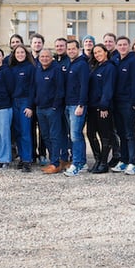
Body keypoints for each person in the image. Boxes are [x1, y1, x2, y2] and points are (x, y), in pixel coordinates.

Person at [86, 44, 117, 174]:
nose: (97, 54)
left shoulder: (110, 67)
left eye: (100, 52)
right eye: (95, 53)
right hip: (92, 107)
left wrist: (104, 106)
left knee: (105, 135)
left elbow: (108, 88)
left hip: (103, 107)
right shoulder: (95, 67)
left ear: (105, 52)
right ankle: (98, 160)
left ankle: (103, 163)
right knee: (90, 133)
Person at [34, 49, 65, 175]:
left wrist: (54, 106)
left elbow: (60, 89)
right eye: (42, 56)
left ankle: (56, 163)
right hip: (40, 108)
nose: (45, 58)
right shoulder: (38, 70)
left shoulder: (56, 70)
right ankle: (54, 160)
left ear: (51, 58)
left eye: (47, 56)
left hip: (52, 109)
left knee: (54, 136)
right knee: (45, 136)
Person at [112, 37, 135, 175]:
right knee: (121, 133)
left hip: (128, 103)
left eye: (125, 45)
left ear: (129, 46)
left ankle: (132, 162)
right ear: (116, 46)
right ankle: (123, 160)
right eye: (120, 45)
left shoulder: (133, 60)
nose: (122, 47)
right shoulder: (116, 60)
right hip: (116, 102)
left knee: (130, 133)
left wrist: (134, 102)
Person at [63, 40, 89, 176]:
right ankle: (82, 161)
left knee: (75, 135)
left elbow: (85, 86)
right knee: (76, 134)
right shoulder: (69, 64)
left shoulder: (82, 64)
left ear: (78, 49)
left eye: (73, 49)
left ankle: (77, 163)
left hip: (76, 105)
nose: (71, 51)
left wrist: (81, 104)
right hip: (68, 104)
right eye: (69, 49)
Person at [9, 45, 35, 172]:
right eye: (17, 52)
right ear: (14, 54)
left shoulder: (31, 68)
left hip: (25, 102)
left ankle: (27, 160)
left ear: (26, 54)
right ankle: (21, 157)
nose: (20, 54)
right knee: (17, 131)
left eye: (22, 52)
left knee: (25, 132)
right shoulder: (12, 68)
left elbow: (32, 88)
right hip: (14, 102)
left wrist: (30, 106)